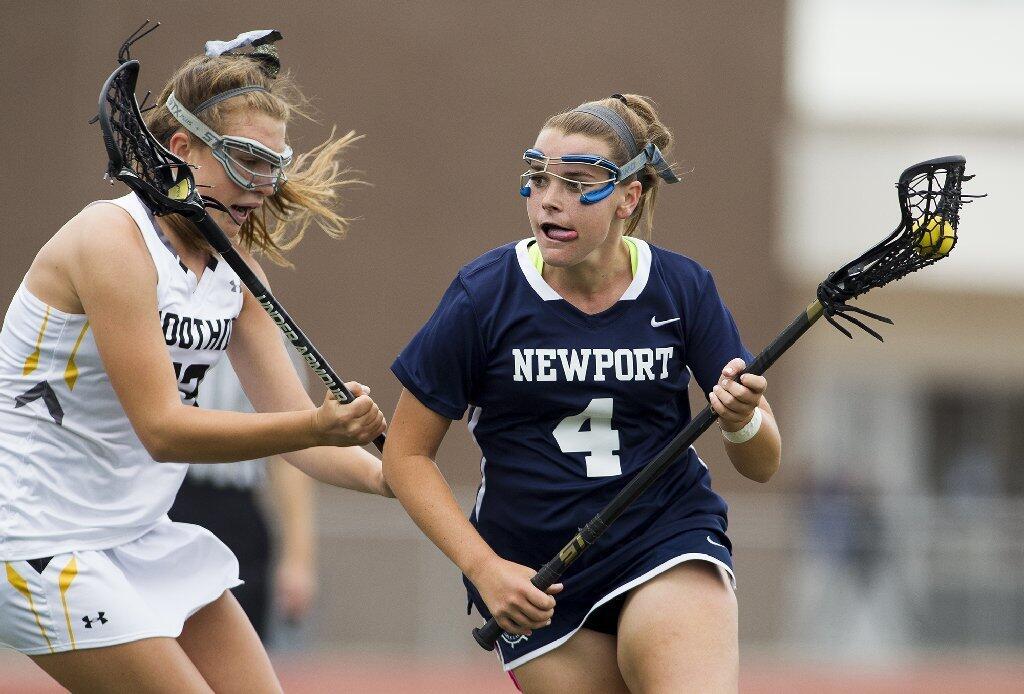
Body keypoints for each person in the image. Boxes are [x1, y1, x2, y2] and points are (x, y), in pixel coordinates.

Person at [0, 30, 388, 693]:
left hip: (137, 533)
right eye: (243, 160)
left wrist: (407, 481)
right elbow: (164, 428)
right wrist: (317, 427)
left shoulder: (236, 274)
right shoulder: (109, 241)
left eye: (273, 164)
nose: (262, 186)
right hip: (39, 538)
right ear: (182, 149)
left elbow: (307, 443)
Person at [384, 94, 781, 693]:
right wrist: (485, 568)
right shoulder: (482, 297)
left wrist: (741, 420)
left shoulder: (682, 288)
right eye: (539, 177)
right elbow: (406, 456)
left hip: (663, 536)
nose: (550, 198)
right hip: (537, 574)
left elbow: (762, 464)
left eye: (578, 182)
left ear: (629, 197)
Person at [169, 349, 318, 642]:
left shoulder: (271, 336)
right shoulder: (156, 318)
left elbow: (293, 449)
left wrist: (299, 557)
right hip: (163, 501)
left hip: (235, 511)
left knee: (235, 646)